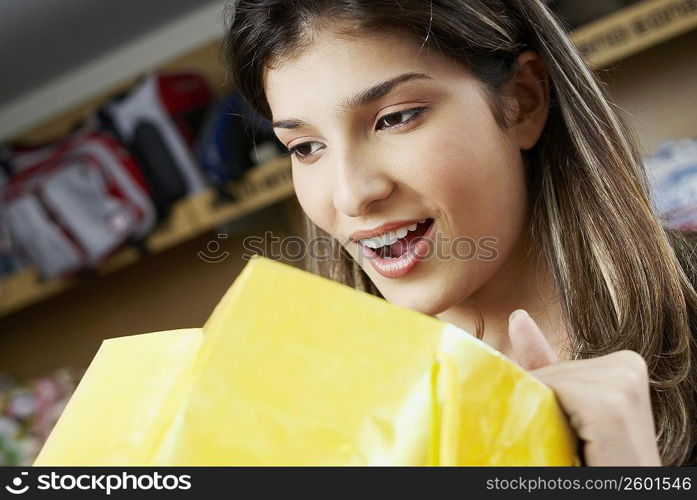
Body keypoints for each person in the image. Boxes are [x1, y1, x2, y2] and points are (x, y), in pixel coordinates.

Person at [223, 0, 697, 465]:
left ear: (522, 101)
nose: (350, 196)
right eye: (306, 147)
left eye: (395, 118)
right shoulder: (304, 423)